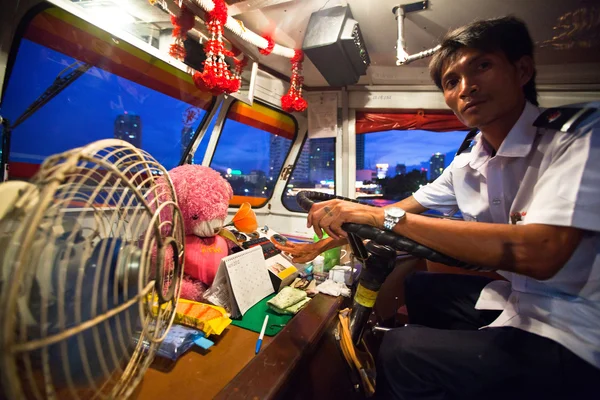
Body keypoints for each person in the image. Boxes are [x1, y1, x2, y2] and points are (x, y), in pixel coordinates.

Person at [272, 16, 600, 399]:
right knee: (420, 286)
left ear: (522, 69)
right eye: (451, 81)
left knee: (401, 351)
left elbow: (542, 251)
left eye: (482, 66)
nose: (467, 87)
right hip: (522, 302)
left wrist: (380, 215)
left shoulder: (578, 133)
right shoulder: (468, 164)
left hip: (580, 333)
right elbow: (394, 212)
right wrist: (325, 239)